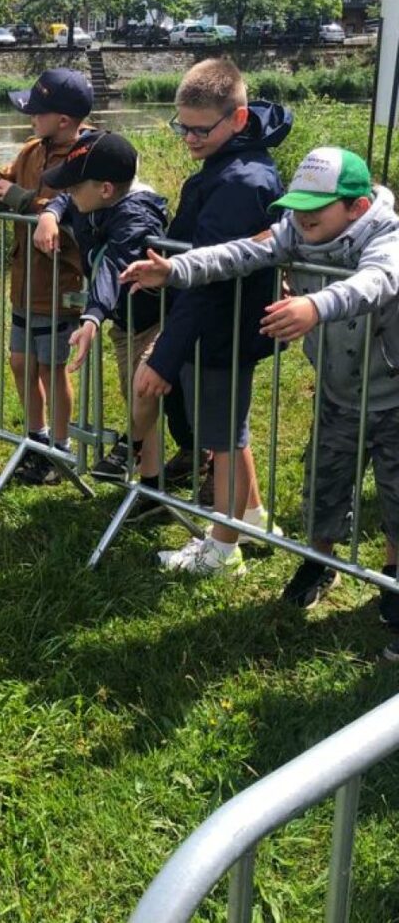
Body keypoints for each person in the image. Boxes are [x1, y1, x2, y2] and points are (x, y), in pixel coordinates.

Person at [122, 147, 399, 642]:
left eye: (318, 206)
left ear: (355, 207)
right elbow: (241, 251)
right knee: (323, 483)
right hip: (339, 394)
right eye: (299, 205)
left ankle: (393, 582)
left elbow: (376, 282)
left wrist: (314, 305)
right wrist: (177, 270)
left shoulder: (386, 235)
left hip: (394, 397)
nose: (303, 215)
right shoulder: (298, 227)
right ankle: (320, 561)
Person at [119, 58, 292, 575]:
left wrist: (164, 358)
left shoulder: (241, 181)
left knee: (222, 437)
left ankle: (222, 548)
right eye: (182, 127)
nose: (188, 139)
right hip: (223, 325)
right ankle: (253, 516)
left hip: (222, 328)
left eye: (200, 129)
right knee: (229, 428)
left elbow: (206, 282)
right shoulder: (232, 164)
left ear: (237, 120)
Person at [34, 129, 193, 502]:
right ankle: (152, 490)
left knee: (146, 390)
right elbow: (65, 203)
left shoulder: (137, 216)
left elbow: (114, 267)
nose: (69, 193)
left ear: (105, 189)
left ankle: (131, 448)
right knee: (138, 395)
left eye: (75, 187)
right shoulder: (92, 201)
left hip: (160, 318)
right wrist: (49, 213)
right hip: (127, 323)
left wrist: (91, 316)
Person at [0, 68, 91, 485]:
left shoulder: (88, 155)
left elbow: (79, 210)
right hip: (24, 281)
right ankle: (35, 438)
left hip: (62, 284)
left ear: (63, 120)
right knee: (21, 361)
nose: (30, 119)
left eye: (37, 112)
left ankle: (59, 449)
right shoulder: (31, 150)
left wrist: (23, 199)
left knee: (51, 367)